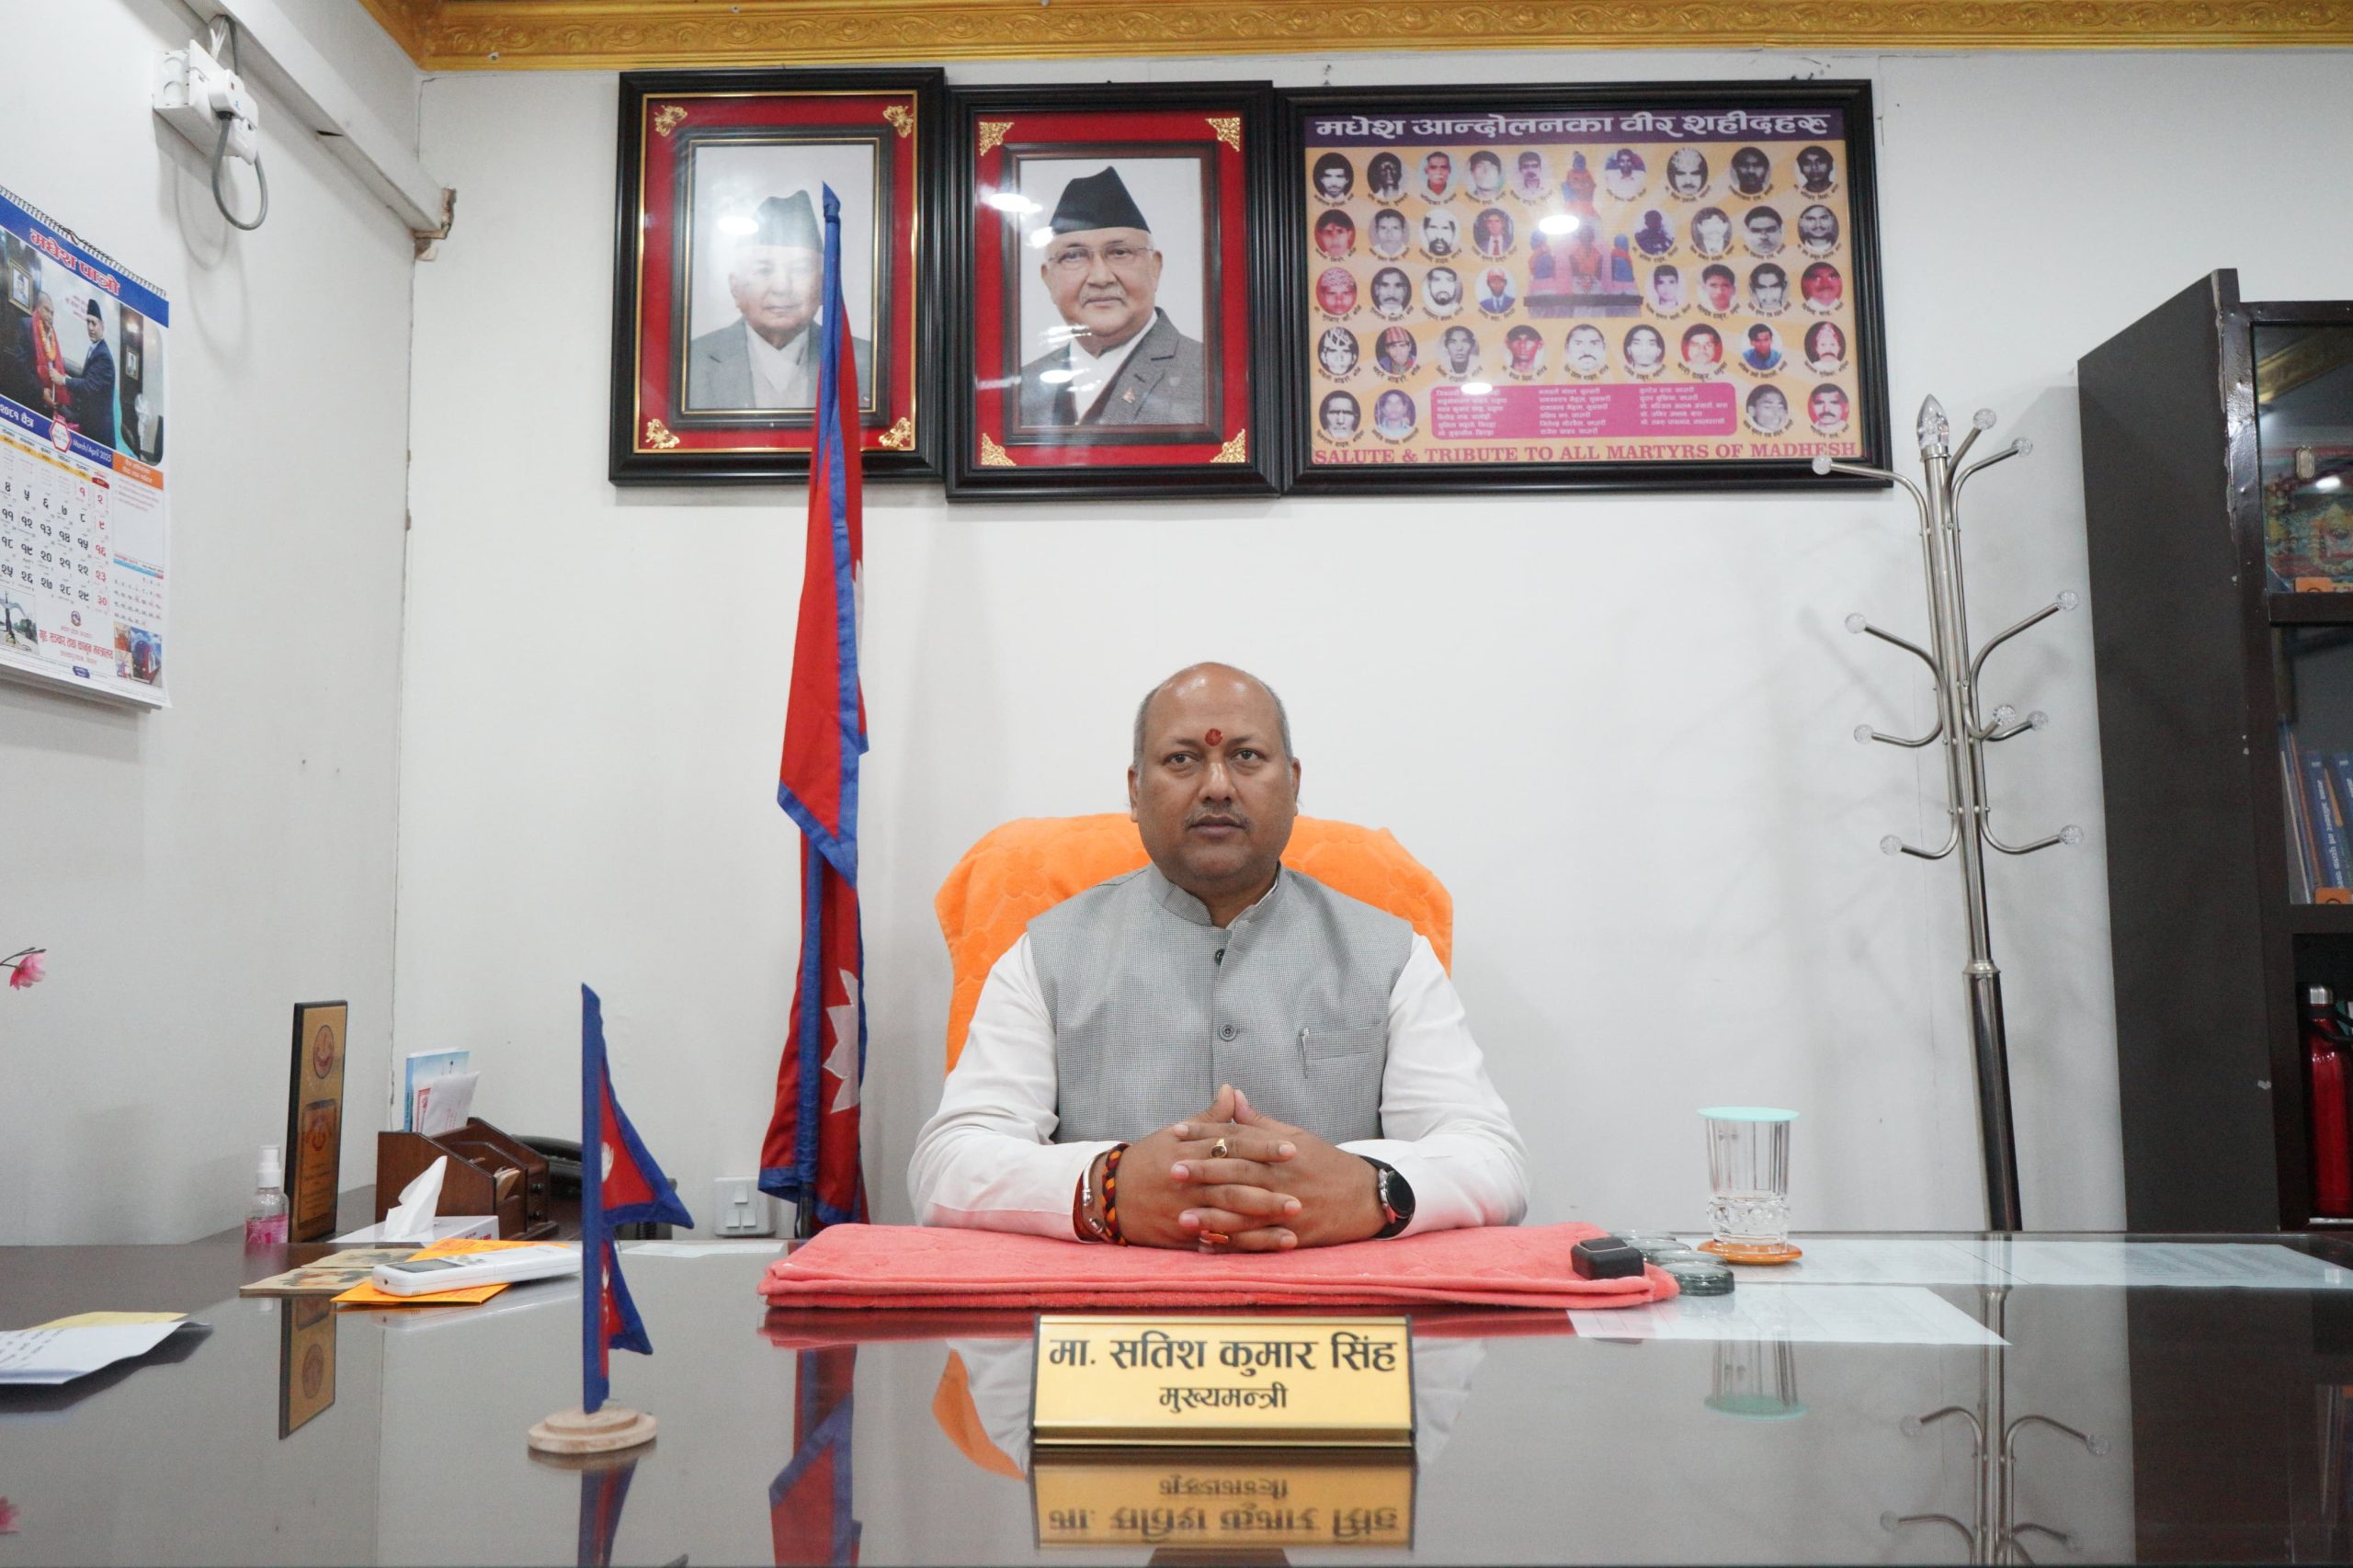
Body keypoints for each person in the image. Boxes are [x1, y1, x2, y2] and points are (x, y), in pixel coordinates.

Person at [907, 665, 1529, 1249]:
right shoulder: (1046, 953)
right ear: (1135, 791)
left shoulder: (1390, 955)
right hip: (1105, 1318)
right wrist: (1107, 1187)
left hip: (1339, 1316)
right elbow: (947, 1164)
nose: (1217, 786)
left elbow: (1492, 1157)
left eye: (1246, 756)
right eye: (1182, 759)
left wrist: (1371, 1189)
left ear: (1294, 783)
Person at [1017, 169, 1208, 428]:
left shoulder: (1208, 376)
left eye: (1119, 252)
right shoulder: (1021, 387)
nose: (1100, 277)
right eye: (1073, 256)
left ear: (1155, 267)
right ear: (1048, 279)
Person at [687, 190, 873, 412]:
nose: (782, 287)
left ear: (825, 286)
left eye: (800, 270)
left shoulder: (866, 361)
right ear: (735, 287)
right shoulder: (690, 362)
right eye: (763, 270)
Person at [52, 298, 115, 448]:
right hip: (89, 421)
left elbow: (88, 386)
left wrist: (63, 380)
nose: (90, 328)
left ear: (102, 325)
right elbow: (88, 377)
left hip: (98, 432)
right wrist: (68, 376)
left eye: (94, 323)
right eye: (88, 322)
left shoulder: (104, 356)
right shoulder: (95, 348)